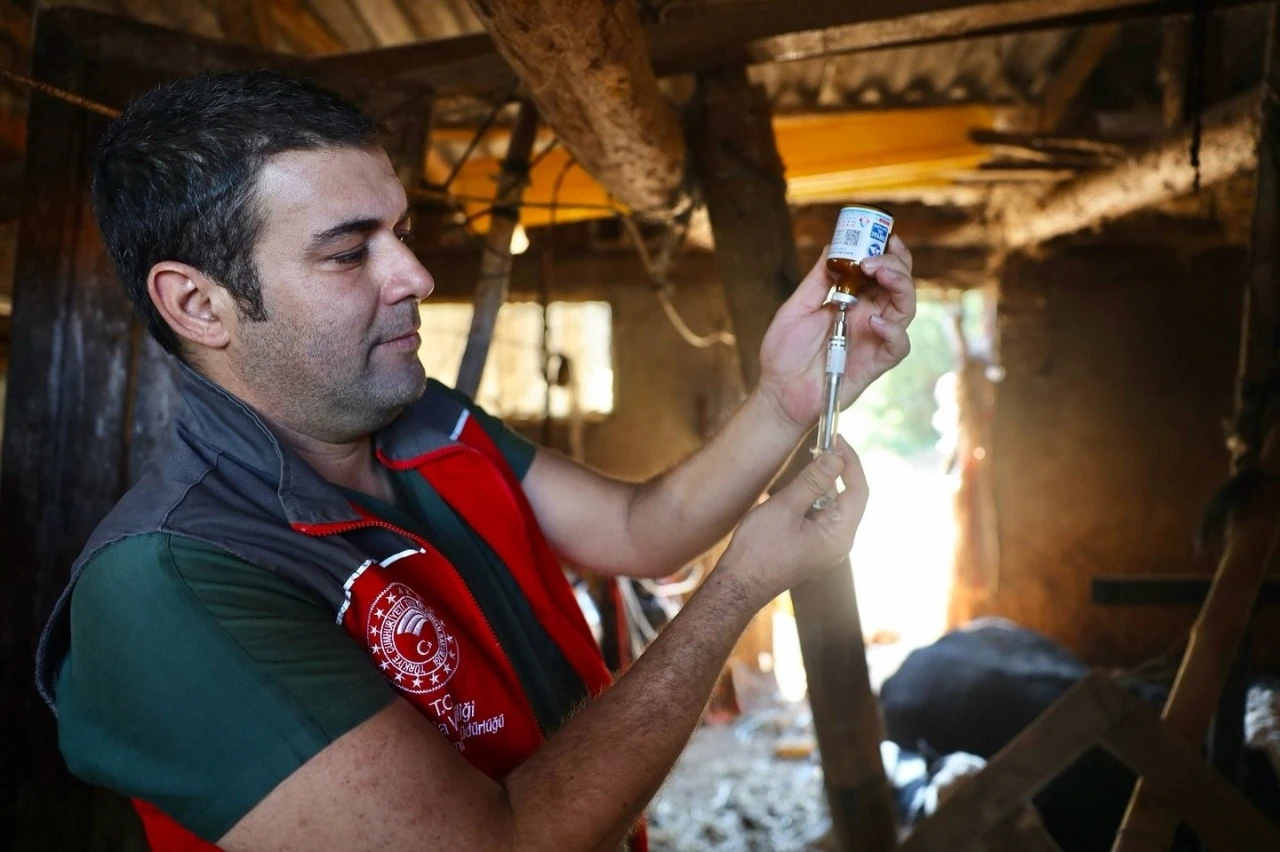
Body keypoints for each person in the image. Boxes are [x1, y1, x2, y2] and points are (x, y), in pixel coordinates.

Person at [34, 71, 916, 852]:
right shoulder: (172, 584)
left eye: (401, 232)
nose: (416, 274)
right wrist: (738, 589)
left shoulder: (423, 420)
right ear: (198, 304)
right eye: (349, 252)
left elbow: (640, 530)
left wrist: (785, 399)